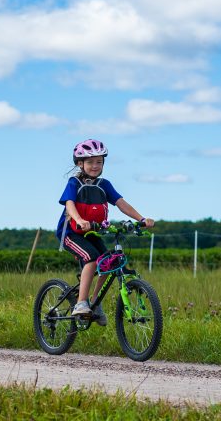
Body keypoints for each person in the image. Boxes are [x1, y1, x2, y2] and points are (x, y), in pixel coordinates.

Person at [56, 139, 154, 325]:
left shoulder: (104, 184)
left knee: (109, 262)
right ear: (80, 163)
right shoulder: (74, 183)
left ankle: (94, 303)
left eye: (99, 162)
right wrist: (79, 220)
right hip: (71, 233)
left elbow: (121, 203)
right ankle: (80, 303)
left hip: (93, 233)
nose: (95, 166)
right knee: (92, 258)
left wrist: (141, 219)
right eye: (90, 162)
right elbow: (69, 204)